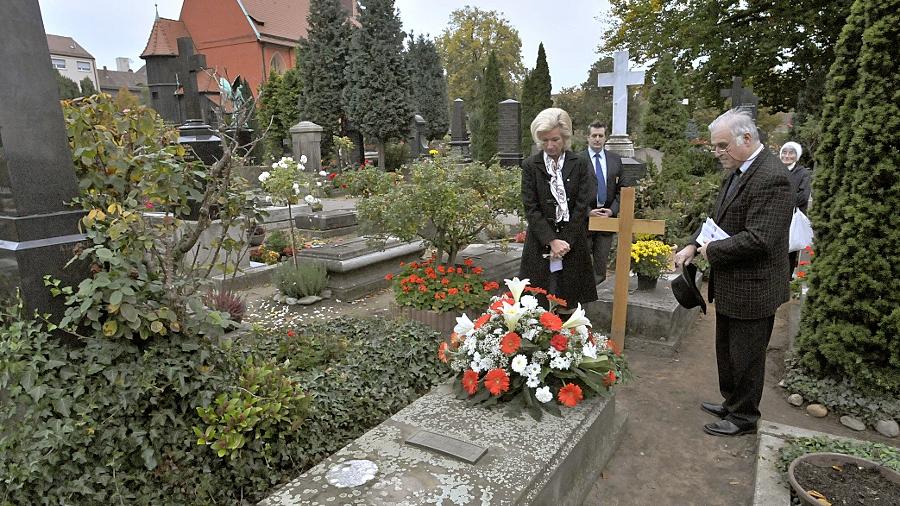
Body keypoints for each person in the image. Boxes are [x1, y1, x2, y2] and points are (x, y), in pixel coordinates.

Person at [674, 109, 792, 437]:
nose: (717, 153)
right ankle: (731, 402)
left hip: (754, 286)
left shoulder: (773, 177)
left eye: (722, 146)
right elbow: (718, 221)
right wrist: (692, 244)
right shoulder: (738, 169)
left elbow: (761, 239)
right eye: (715, 146)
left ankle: (744, 417)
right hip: (732, 283)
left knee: (748, 356)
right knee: (727, 351)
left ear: (747, 139)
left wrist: (711, 252)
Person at [519, 108, 598, 310]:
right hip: (540, 242)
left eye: (555, 139)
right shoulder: (530, 165)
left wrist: (565, 242)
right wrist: (551, 240)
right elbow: (531, 207)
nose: (550, 145)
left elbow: (582, 204)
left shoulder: (580, 163)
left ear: (564, 137)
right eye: (544, 141)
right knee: (537, 302)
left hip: (572, 241)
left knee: (570, 302)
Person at [584, 121, 623, 284]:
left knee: (600, 266)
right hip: (585, 219)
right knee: (582, 263)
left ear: (605, 138)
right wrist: (587, 212)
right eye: (594, 136)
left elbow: (622, 189)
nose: (597, 139)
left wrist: (612, 211)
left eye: (601, 136)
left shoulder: (615, 160)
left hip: (606, 220)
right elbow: (570, 191)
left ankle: (596, 300)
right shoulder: (578, 160)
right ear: (588, 137)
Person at [780, 141, 811, 278]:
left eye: (791, 153)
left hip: (792, 217)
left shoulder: (802, 173)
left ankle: (787, 278)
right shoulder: (776, 169)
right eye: (784, 152)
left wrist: (782, 202)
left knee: (790, 247)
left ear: (797, 156)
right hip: (775, 215)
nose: (787, 156)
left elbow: (803, 196)